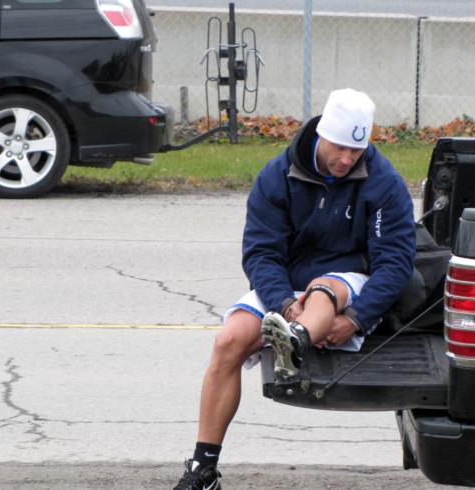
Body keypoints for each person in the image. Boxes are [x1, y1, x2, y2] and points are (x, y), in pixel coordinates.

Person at [173, 88, 416, 490]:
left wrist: (357, 319)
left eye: (356, 151)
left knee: (322, 289)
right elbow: (261, 254)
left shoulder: (383, 182)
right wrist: (284, 303)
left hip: (349, 281)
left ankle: (296, 341)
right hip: (286, 288)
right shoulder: (277, 175)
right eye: (340, 148)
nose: (347, 159)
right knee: (228, 340)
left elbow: (395, 262)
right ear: (322, 134)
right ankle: (203, 469)